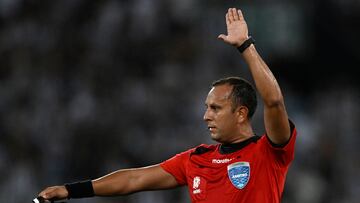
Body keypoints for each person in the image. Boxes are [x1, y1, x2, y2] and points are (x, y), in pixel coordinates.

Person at [36, 8, 297, 203]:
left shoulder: (269, 152)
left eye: (215, 108)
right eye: (207, 107)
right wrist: (71, 190)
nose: (206, 116)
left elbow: (273, 101)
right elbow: (134, 179)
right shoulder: (196, 159)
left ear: (241, 114)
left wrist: (245, 46)